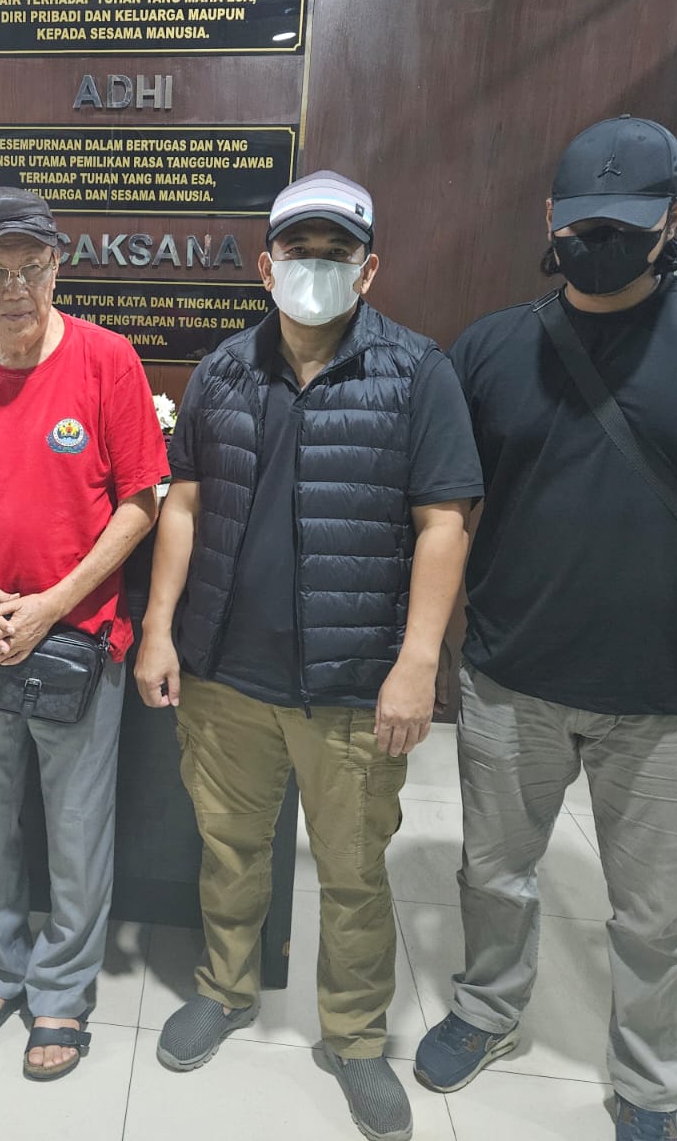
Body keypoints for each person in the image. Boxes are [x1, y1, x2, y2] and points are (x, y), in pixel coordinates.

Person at [413, 116, 677, 1141]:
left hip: (675, 694)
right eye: (583, 224)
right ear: (550, 219)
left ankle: (650, 1080)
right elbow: (450, 512)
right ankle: (488, 1008)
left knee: (656, 913)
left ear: (673, 219)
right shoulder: (492, 348)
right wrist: (425, 649)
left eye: (625, 223)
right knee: (492, 876)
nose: (600, 241)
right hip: (511, 677)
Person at [134, 170, 481, 1141]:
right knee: (230, 850)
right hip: (225, 675)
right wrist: (159, 627)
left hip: (352, 682)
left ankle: (356, 1037)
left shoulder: (416, 373)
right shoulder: (222, 371)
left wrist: (417, 661)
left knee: (354, 871)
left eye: (337, 254)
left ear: (369, 269)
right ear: (266, 265)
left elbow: (445, 522)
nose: (315, 268)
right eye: (298, 251)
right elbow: (184, 503)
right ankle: (224, 988)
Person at [0, 186, 168, 1081]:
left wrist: (53, 603)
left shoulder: (107, 360)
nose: (15, 288)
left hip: (77, 643)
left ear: (58, 265)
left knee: (78, 829)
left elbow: (140, 503)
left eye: (31, 267)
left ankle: (61, 989)